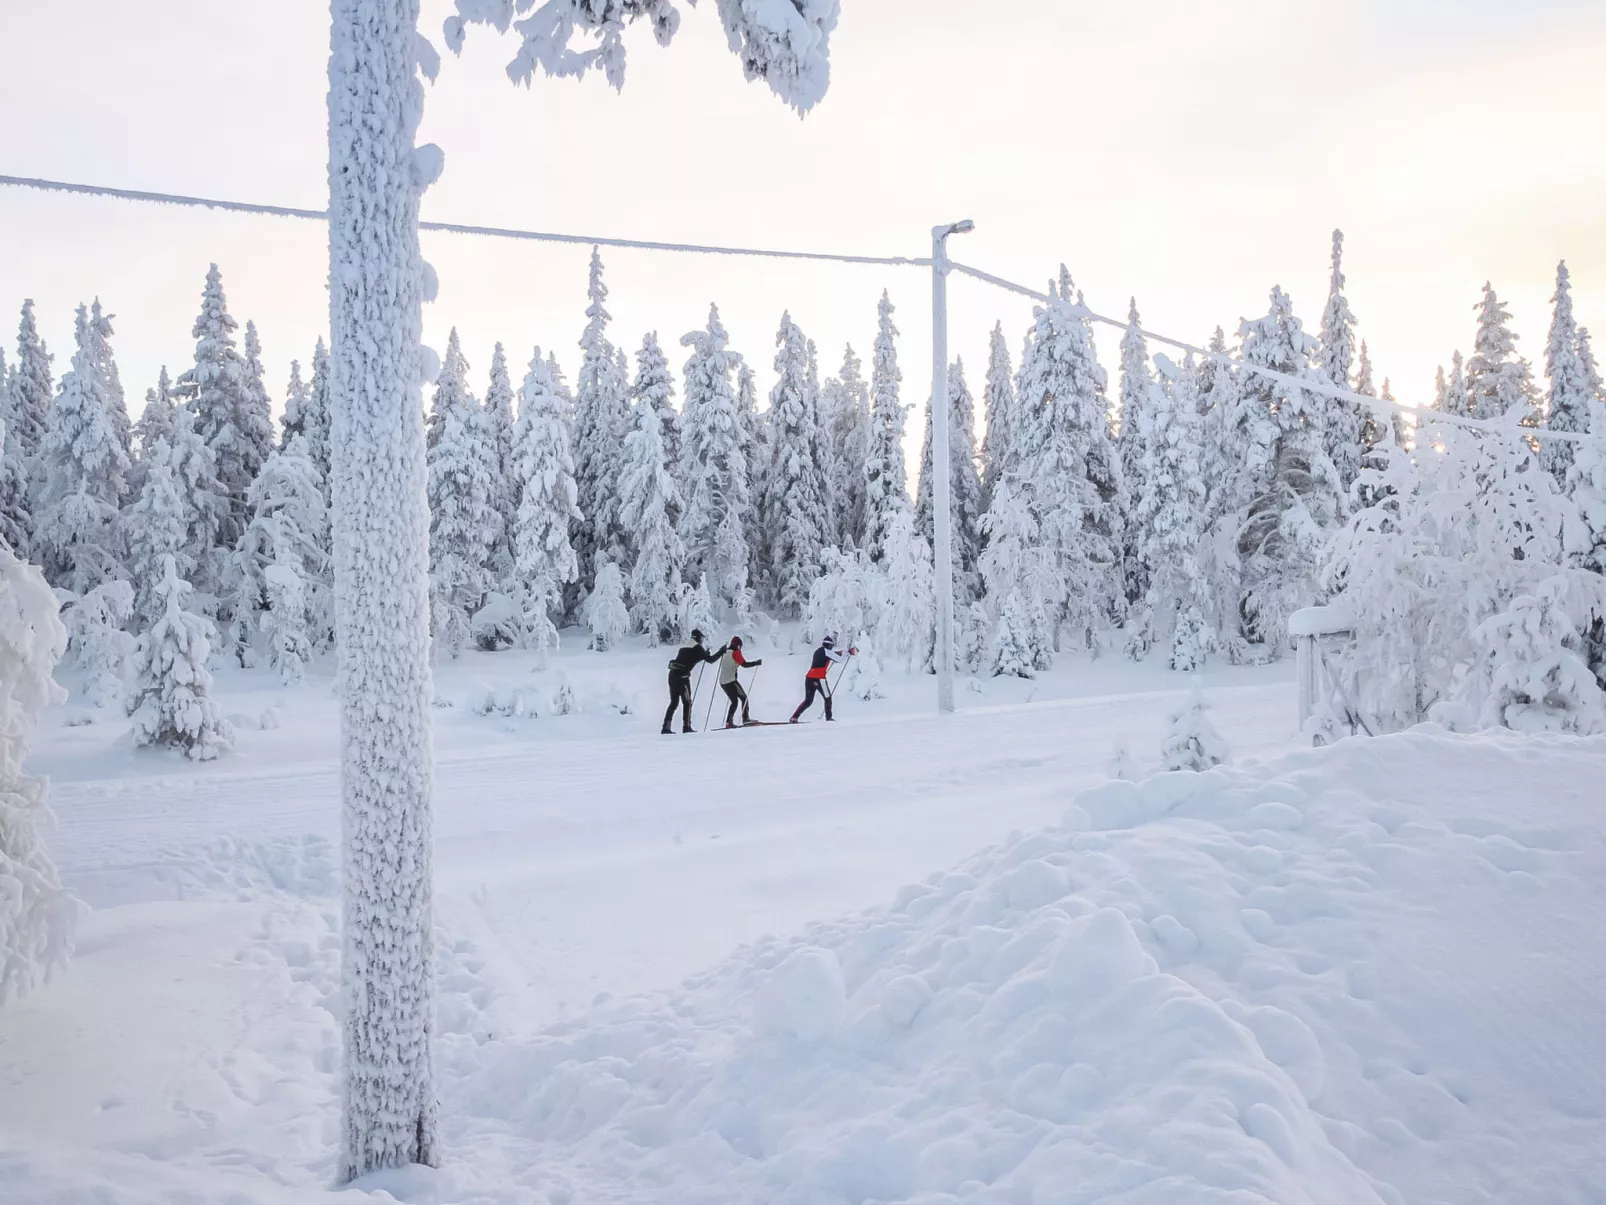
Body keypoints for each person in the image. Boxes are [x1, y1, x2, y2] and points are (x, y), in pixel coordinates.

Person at [663, 629, 725, 734]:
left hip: (672, 676)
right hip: (682, 678)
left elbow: (690, 659)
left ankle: (666, 727)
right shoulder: (697, 647)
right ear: (698, 638)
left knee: (674, 703)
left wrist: (704, 655)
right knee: (687, 702)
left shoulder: (685, 646)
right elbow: (710, 660)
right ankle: (686, 727)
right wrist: (721, 651)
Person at [791, 634, 855, 723]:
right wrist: (848, 653)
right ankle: (829, 718)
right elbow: (839, 659)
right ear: (829, 645)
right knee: (828, 697)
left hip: (809, 678)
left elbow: (833, 654)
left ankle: (794, 717)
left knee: (808, 701)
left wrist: (843, 652)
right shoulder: (827, 651)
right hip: (819, 679)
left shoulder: (818, 651)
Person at [717, 636, 763, 728]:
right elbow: (744, 664)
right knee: (744, 698)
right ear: (738, 645)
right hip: (731, 681)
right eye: (740, 646)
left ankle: (728, 722)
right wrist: (756, 663)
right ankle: (746, 719)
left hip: (722, 682)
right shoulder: (735, 652)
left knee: (734, 701)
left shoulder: (725, 652)